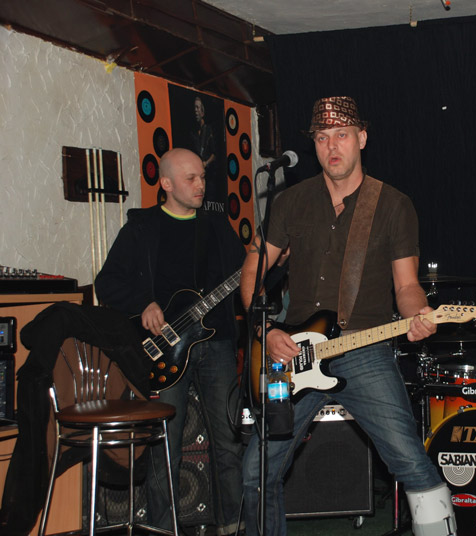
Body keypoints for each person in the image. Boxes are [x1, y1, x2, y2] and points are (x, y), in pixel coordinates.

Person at [240, 96, 457, 536]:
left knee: (410, 461)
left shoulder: (392, 204)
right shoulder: (291, 201)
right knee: (256, 472)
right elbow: (252, 271)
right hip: (293, 355)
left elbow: (406, 286)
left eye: (341, 135)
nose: (331, 146)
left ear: (362, 138)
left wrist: (418, 315)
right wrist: (267, 329)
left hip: (364, 349)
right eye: (322, 138)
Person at [95, 148, 245, 535]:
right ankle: (164, 529)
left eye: (202, 177)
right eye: (191, 178)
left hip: (217, 344)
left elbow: (247, 277)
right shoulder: (141, 229)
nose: (200, 184)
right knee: (166, 446)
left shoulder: (216, 226)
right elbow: (106, 282)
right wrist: (143, 304)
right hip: (165, 350)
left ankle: (233, 525)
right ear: (166, 183)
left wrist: (273, 262)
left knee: (229, 441)